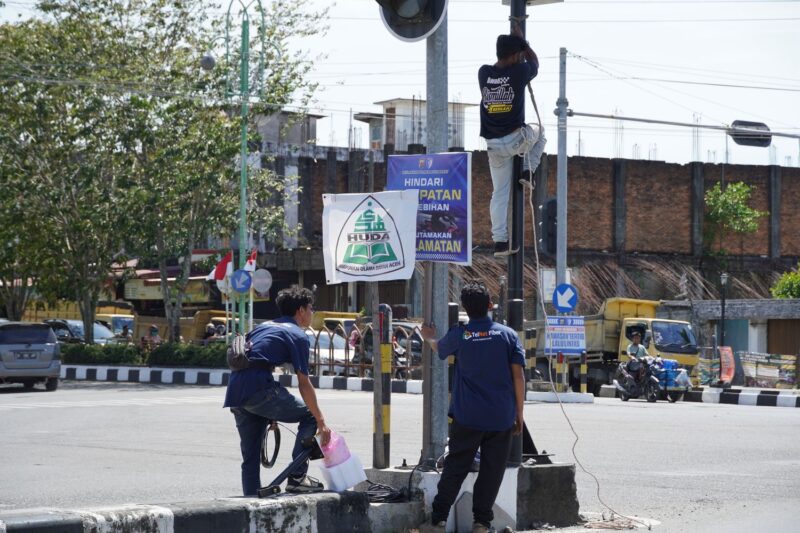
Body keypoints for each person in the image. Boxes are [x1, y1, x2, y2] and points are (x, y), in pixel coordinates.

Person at [419, 281, 526, 533]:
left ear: (465, 308)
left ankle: (438, 520)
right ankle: (481, 523)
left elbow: (438, 347)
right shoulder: (507, 335)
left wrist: (428, 337)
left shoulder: (462, 334)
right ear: (490, 305)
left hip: (467, 417)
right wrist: (519, 413)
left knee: (455, 467)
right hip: (500, 417)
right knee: (492, 471)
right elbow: (518, 376)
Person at [223, 286, 331, 496]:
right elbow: (304, 383)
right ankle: (298, 477)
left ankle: (250, 503)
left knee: (250, 457)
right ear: (301, 310)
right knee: (310, 415)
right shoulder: (298, 335)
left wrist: (270, 411)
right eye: (311, 308)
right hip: (259, 388)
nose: (312, 313)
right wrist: (321, 421)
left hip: (236, 390)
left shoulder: (263, 327)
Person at [479, 24, 547, 257]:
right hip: (516, 140)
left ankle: (500, 241)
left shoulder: (483, 73)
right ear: (515, 55)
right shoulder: (519, 72)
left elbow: (507, 64)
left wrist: (516, 48)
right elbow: (535, 62)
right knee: (540, 131)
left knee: (499, 193)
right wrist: (524, 43)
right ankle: (528, 170)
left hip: (493, 147)